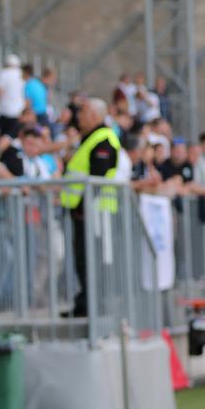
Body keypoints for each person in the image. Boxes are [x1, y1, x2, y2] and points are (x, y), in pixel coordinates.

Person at [60, 97, 120, 319]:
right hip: (84, 212)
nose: (78, 117)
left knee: (90, 261)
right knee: (83, 260)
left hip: (94, 212)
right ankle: (85, 304)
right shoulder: (90, 138)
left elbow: (97, 178)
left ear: (95, 116)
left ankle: (92, 307)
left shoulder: (103, 139)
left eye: (83, 113)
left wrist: (83, 207)